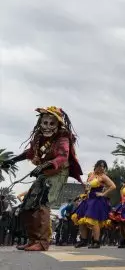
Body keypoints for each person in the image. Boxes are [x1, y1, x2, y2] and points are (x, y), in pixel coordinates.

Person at [0, 106, 83, 251]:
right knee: (27, 206)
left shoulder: (63, 138)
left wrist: (45, 165)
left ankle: (43, 242)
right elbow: (29, 152)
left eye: (52, 124)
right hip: (44, 173)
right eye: (45, 123)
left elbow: (62, 157)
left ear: (58, 124)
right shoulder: (39, 138)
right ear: (40, 123)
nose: (48, 126)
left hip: (58, 173)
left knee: (43, 203)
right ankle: (33, 240)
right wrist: (12, 160)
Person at [72, 160, 116, 249]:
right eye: (100, 166)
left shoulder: (103, 177)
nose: (102, 168)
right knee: (81, 219)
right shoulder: (90, 174)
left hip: (96, 200)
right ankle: (83, 240)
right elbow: (87, 187)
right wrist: (83, 195)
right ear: (96, 166)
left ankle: (96, 241)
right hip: (88, 199)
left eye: (104, 166)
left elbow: (113, 186)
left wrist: (103, 194)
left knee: (93, 221)